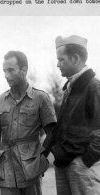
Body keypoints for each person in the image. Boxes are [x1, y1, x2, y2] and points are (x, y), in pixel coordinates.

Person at [0, 51, 56, 195]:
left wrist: (40, 161)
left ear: (24, 70)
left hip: (30, 169)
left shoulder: (41, 98)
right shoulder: (0, 100)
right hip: (6, 169)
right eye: (4, 71)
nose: (6, 75)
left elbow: (52, 133)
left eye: (11, 70)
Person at [50, 35, 100, 195]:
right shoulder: (70, 89)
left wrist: (86, 161)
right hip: (64, 164)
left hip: (82, 168)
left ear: (75, 58)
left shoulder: (93, 87)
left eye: (61, 59)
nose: (58, 64)